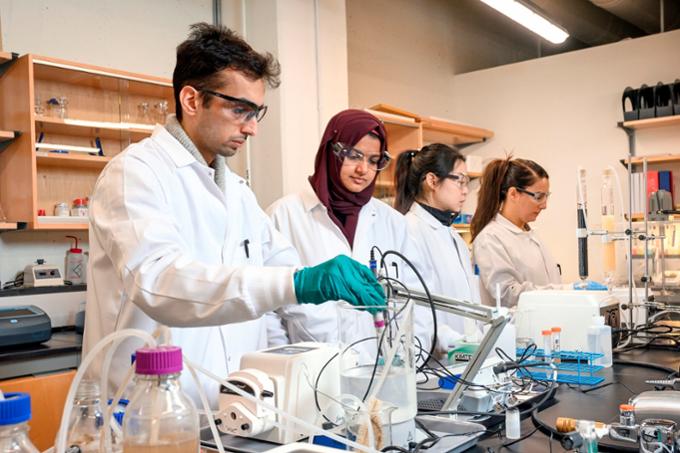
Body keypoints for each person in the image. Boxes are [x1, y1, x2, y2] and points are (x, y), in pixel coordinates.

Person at [83, 24, 383, 406]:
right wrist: (300, 282)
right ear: (191, 100)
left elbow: (280, 270)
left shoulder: (238, 192)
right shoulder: (135, 174)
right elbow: (160, 283)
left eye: (257, 112)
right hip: (146, 415)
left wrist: (351, 365)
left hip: (233, 410)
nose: (252, 128)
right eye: (240, 110)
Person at [267, 109, 434, 353]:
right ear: (331, 151)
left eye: (373, 161)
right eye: (354, 156)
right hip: (311, 374)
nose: (363, 170)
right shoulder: (283, 216)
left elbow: (416, 301)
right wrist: (285, 364)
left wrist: (409, 362)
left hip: (381, 370)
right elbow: (268, 308)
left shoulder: (393, 223)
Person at [394, 143, 478, 345]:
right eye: (460, 181)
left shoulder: (451, 234)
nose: (466, 191)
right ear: (432, 180)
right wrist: (457, 343)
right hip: (437, 360)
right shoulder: (409, 231)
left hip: (465, 356)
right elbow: (416, 309)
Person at [470, 156, 562, 308]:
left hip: (543, 324)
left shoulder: (530, 234)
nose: (544, 205)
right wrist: (560, 292)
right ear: (513, 194)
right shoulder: (490, 239)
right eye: (538, 196)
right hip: (515, 329)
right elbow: (506, 293)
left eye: (546, 196)